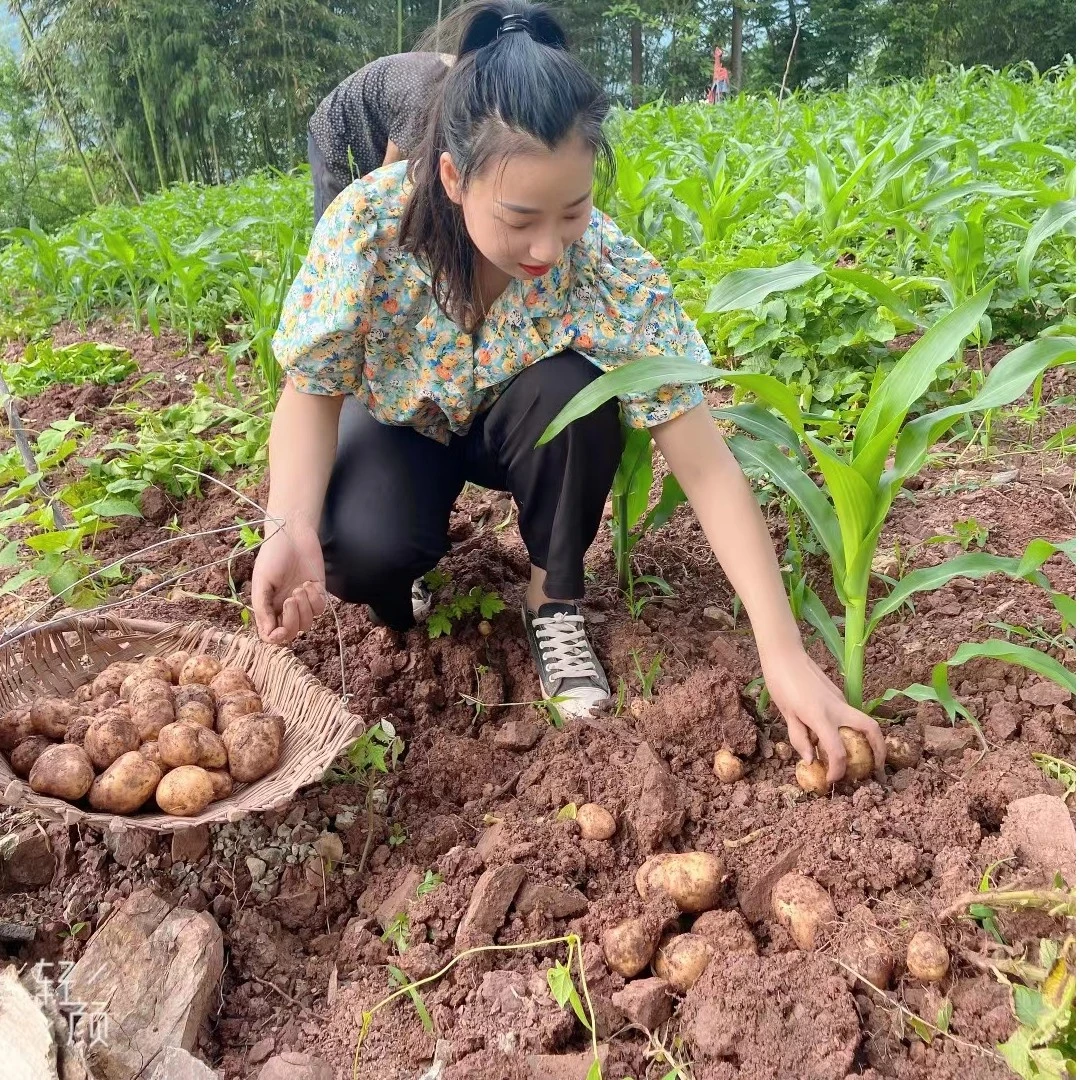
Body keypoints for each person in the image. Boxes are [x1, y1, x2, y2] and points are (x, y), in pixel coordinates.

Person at [255, 0, 884, 781]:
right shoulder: (369, 229)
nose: (549, 247)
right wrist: (288, 525)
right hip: (400, 421)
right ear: (453, 177)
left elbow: (706, 463)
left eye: (573, 211)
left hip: (517, 424)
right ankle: (398, 582)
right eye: (520, 218)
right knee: (359, 548)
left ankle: (552, 599)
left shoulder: (607, 269)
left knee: (578, 396)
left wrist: (781, 650)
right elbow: (311, 393)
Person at [307, 51, 454, 224]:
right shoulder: (423, 99)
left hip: (373, 136)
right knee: (337, 221)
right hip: (334, 131)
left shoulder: (459, 75)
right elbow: (387, 179)